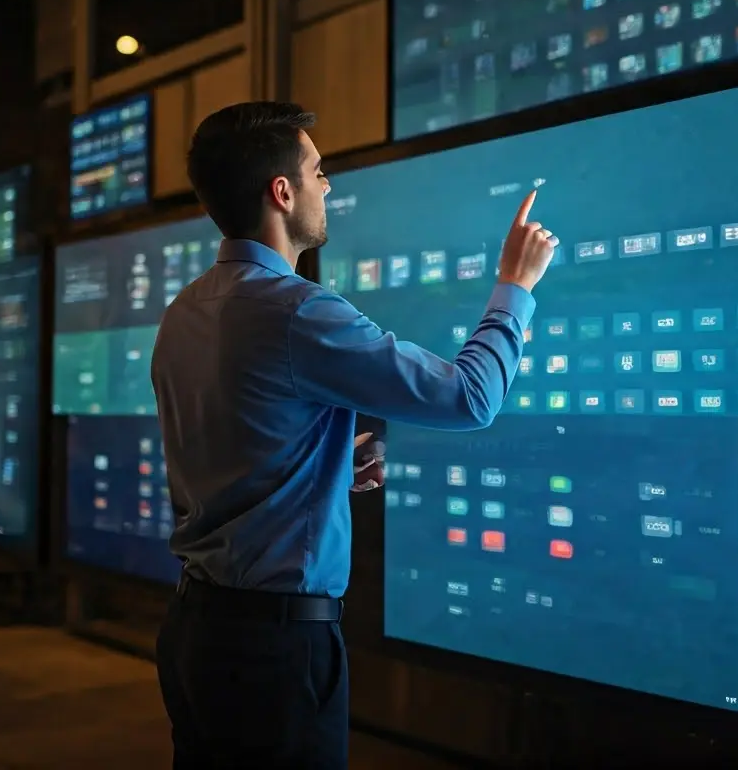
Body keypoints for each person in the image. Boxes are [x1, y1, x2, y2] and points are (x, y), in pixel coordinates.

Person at [151, 101, 558, 768]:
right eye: (317, 172)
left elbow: (228, 448)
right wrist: (515, 285)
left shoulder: (184, 311)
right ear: (281, 193)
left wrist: (324, 468)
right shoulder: (294, 312)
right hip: (273, 651)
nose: (327, 186)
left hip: (197, 633)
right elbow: (468, 396)